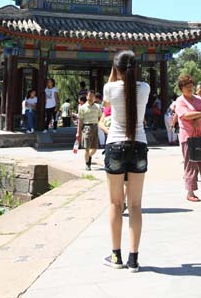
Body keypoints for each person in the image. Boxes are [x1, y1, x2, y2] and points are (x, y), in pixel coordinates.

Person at [101, 50, 149, 272]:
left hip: (115, 146)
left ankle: (116, 256)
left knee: (115, 204)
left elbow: (107, 100)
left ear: (116, 68)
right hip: (139, 146)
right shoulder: (145, 88)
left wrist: (114, 73)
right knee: (136, 205)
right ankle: (134, 259)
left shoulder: (109, 88)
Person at [175, 75, 201, 202]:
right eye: (186, 87)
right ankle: (190, 192)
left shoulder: (198, 100)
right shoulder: (180, 101)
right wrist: (199, 115)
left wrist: (196, 117)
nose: (189, 88)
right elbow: (185, 115)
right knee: (190, 164)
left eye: (191, 86)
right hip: (188, 137)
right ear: (181, 88)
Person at [78, 90, 102, 170]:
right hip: (86, 128)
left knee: (95, 148)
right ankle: (87, 164)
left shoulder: (98, 107)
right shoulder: (82, 108)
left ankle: (89, 157)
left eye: (92, 96)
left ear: (94, 97)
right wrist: (78, 133)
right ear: (86, 97)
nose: (91, 97)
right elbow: (80, 121)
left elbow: (100, 117)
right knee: (87, 148)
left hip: (95, 127)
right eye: (89, 96)